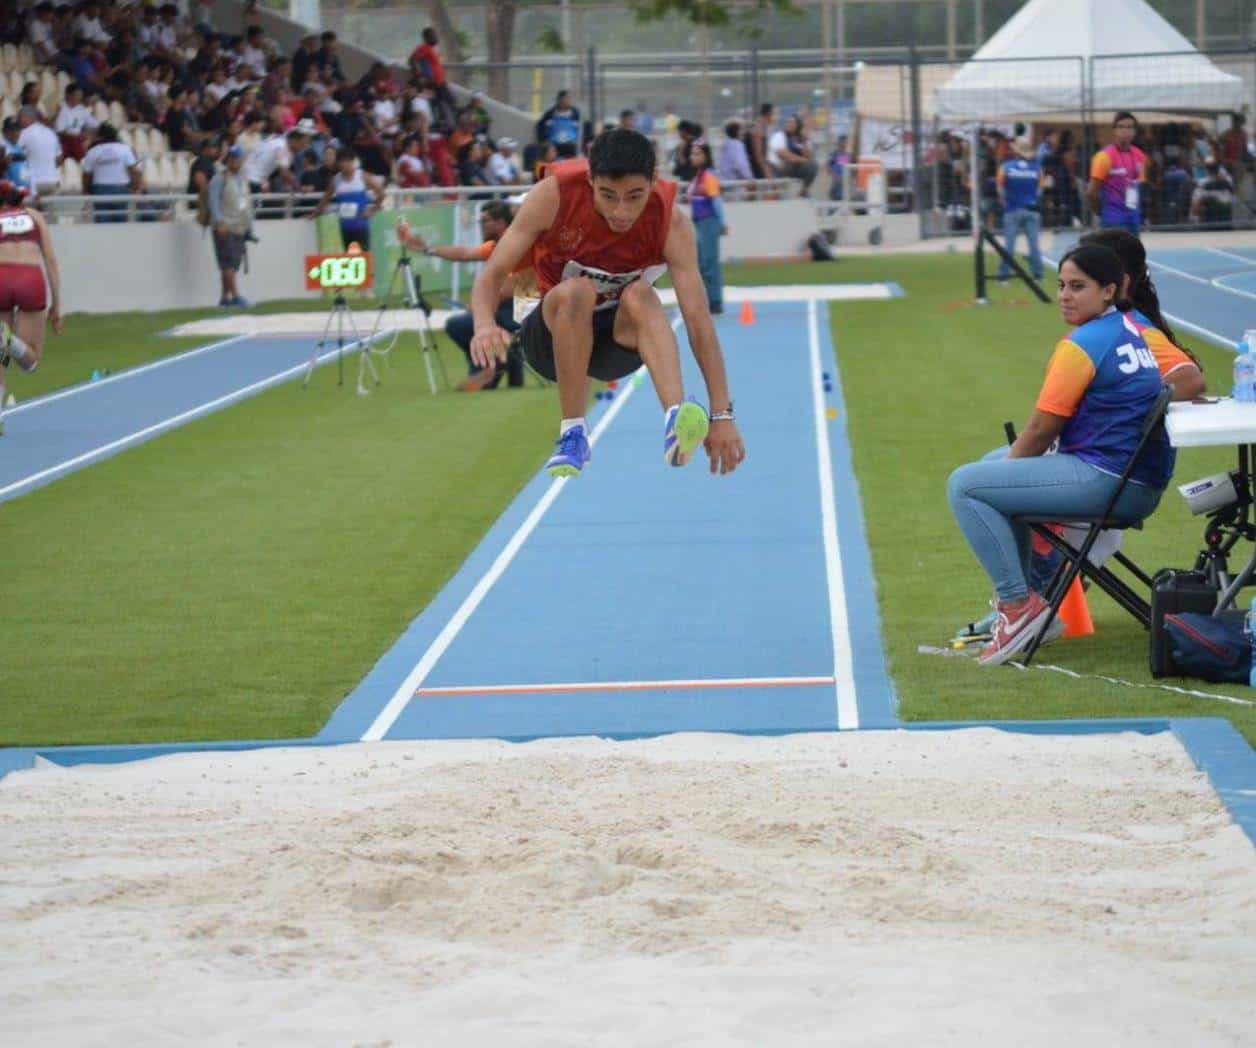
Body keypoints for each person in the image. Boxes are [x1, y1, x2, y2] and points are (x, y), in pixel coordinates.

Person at [468, 128, 746, 478]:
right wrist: (483, 325)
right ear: (590, 181)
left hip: (616, 343)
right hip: (552, 339)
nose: (621, 211)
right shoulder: (553, 196)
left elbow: (698, 320)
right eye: (608, 195)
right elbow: (492, 275)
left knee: (642, 294)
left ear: (653, 181)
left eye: (635, 196)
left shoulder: (670, 223)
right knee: (577, 291)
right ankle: (572, 433)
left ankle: (675, 417)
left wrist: (721, 415)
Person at [947, 244, 1170, 666]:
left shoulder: (1084, 343)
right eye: (1062, 285)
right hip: (1133, 479)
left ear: (1108, 291)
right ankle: (1039, 603)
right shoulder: (1132, 330)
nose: (1065, 295)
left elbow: (1040, 429)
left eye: (1078, 286)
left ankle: (1019, 608)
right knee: (992, 468)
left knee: (966, 485)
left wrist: (1009, 476)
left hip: (1108, 481)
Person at [398, 201, 523, 391]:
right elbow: (464, 253)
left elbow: (516, 286)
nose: (480, 225)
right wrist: (427, 249)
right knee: (467, 322)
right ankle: (499, 366)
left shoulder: (516, 245)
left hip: (519, 309)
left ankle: (489, 368)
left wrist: (481, 305)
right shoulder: (497, 246)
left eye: (485, 220)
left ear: (500, 223)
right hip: (508, 307)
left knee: (458, 325)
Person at [0, 178, 61, 437]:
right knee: (31, 361)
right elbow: (51, 260)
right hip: (30, 278)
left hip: (1, 276)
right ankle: (9, 340)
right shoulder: (34, 216)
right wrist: (57, 306)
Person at [207, 145, 253, 307]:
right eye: (232, 158)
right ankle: (235, 296)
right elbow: (213, 201)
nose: (235, 161)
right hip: (225, 226)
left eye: (238, 158)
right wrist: (219, 221)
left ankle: (225, 298)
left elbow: (246, 205)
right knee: (228, 263)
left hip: (239, 226)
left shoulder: (242, 179)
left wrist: (249, 227)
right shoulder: (220, 178)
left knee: (233, 264)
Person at [313, 147, 382, 252]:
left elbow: (381, 193)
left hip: (360, 226)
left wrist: (373, 209)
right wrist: (315, 213)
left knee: (362, 258)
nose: (343, 164)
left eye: (346, 161)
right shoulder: (336, 179)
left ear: (352, 161)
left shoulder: (362, 176)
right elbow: (325, 198)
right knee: (349, 259)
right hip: (345, 227)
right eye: (341, 161)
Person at [995, 135, 1044, 283]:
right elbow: (1040, 190)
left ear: (1015, 152)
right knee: (1034, 245)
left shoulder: (1006, 167)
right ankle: (1037, 275)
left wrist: (1005, 200)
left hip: (1012, 209)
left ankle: (1004, 276)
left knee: (1009, 245)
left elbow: (1000, 188)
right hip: (1032, 209)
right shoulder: (1037, 169)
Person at [1088, 111, 1146, 234]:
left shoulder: (1140, 156)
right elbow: (1091, 193)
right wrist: (1102, 213)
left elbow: (1139, 186)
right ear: (1114, 131)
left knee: (1134, 253)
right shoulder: (1104, 157)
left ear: (1135, 132)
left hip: (1134, 219)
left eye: (1129, 127)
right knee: (1113, 253)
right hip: (1112, 221)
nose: (1125, 131)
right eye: (1120, 127)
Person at [688, 141, 727, 315]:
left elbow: (716, 201)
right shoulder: (698, 177)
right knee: (701, 263)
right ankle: (705, 300)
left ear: (706, 156)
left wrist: (722, 223)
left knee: (709, 263)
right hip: (698, 222)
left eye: (697, 154)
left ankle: (715, 302)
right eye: (692, 153)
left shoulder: (709, 177)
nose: (693, 157)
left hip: (709, 222)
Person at [81, 122, 140, 223]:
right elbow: (134, 171)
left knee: (103, 225)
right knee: (120, 224)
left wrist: (87, 191)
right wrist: (135, 188)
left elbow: (86, 175)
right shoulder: (125, 149)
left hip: (100, 190)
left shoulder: (92, 151)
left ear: (100, 136)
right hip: (121, 189)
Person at [16, 107, 61, 203]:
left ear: (27, 117)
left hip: (34, 183)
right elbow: (59, 159)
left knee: (32, 215)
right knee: (49, 216)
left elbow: (15, 152)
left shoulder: (24, 133)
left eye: (19, 117)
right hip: (52, 181)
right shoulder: (51, 133)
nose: (18, 121)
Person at [768, 114, 817, 196]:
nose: (789, 124)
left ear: (798, 125)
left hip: (795, 167)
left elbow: (809, 157)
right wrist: (801, 160)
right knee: (784, 164)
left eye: (792, 122)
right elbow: (783, 154)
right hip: (780, 168)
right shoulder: (780, 136)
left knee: (813, 165)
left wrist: (805, 141)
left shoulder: (801, 138)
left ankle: (803, 191)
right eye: (788, 122)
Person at [535, 90, 581, 159]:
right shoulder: (550, 114)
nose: (569, 101)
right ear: (560, 100)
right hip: (554, 144)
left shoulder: (575, 113)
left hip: (571, 145)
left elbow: (582, 128)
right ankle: (546, 168)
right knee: (546, 161)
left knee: (573, 161)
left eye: (569, 98)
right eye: (567, 98)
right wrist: (543, 141)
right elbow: (540, 126)